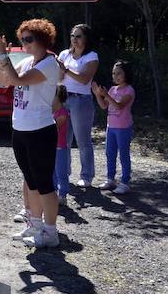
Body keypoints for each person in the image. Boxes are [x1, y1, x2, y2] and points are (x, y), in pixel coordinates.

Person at [0, 18, 61, 248]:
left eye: (28, 39)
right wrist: (3, 60)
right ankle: (35, 226)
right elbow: (3, 82)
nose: (25, 44)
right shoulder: (28, 61)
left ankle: (51, 232)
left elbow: (18, 80)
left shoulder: (50, 64)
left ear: (42, 39)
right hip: (20, 128)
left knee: (44, 183)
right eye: (22, 40)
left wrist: (3, 56)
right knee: (30, 182)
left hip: (40, 130)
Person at [57, 24, 99, 188]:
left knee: (83, 140)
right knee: (63, 140)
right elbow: (59, 77)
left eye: (79, 36)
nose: (75, 39)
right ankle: (64, 173)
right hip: (64, 98)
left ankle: (86, 176)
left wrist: (65, 70)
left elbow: (84, 79)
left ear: (86, 38)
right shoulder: (64, 54)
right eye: (73, 36)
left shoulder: (92, 56)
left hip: (81, 101)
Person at [92, 61, 135, 194]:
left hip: (124, 128)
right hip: (111, 127)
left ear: (126, 74)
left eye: (119, 73)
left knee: (123, 155)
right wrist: (97, 94)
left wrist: (106, 95)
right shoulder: (112, 89)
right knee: (110, 154)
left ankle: (125, 181)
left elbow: (119, 106)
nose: (116, 76)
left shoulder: (129, 90)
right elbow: (104, 106)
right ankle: (110, 179)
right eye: (113, 73)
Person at [53, 85, 71, 205]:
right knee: (52, 172)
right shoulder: (52, 112)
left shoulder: (63, 113)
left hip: (60, 147)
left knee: (61, 172)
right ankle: (53, 193)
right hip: (51, 148)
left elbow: (54, 127)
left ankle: (63, 194)